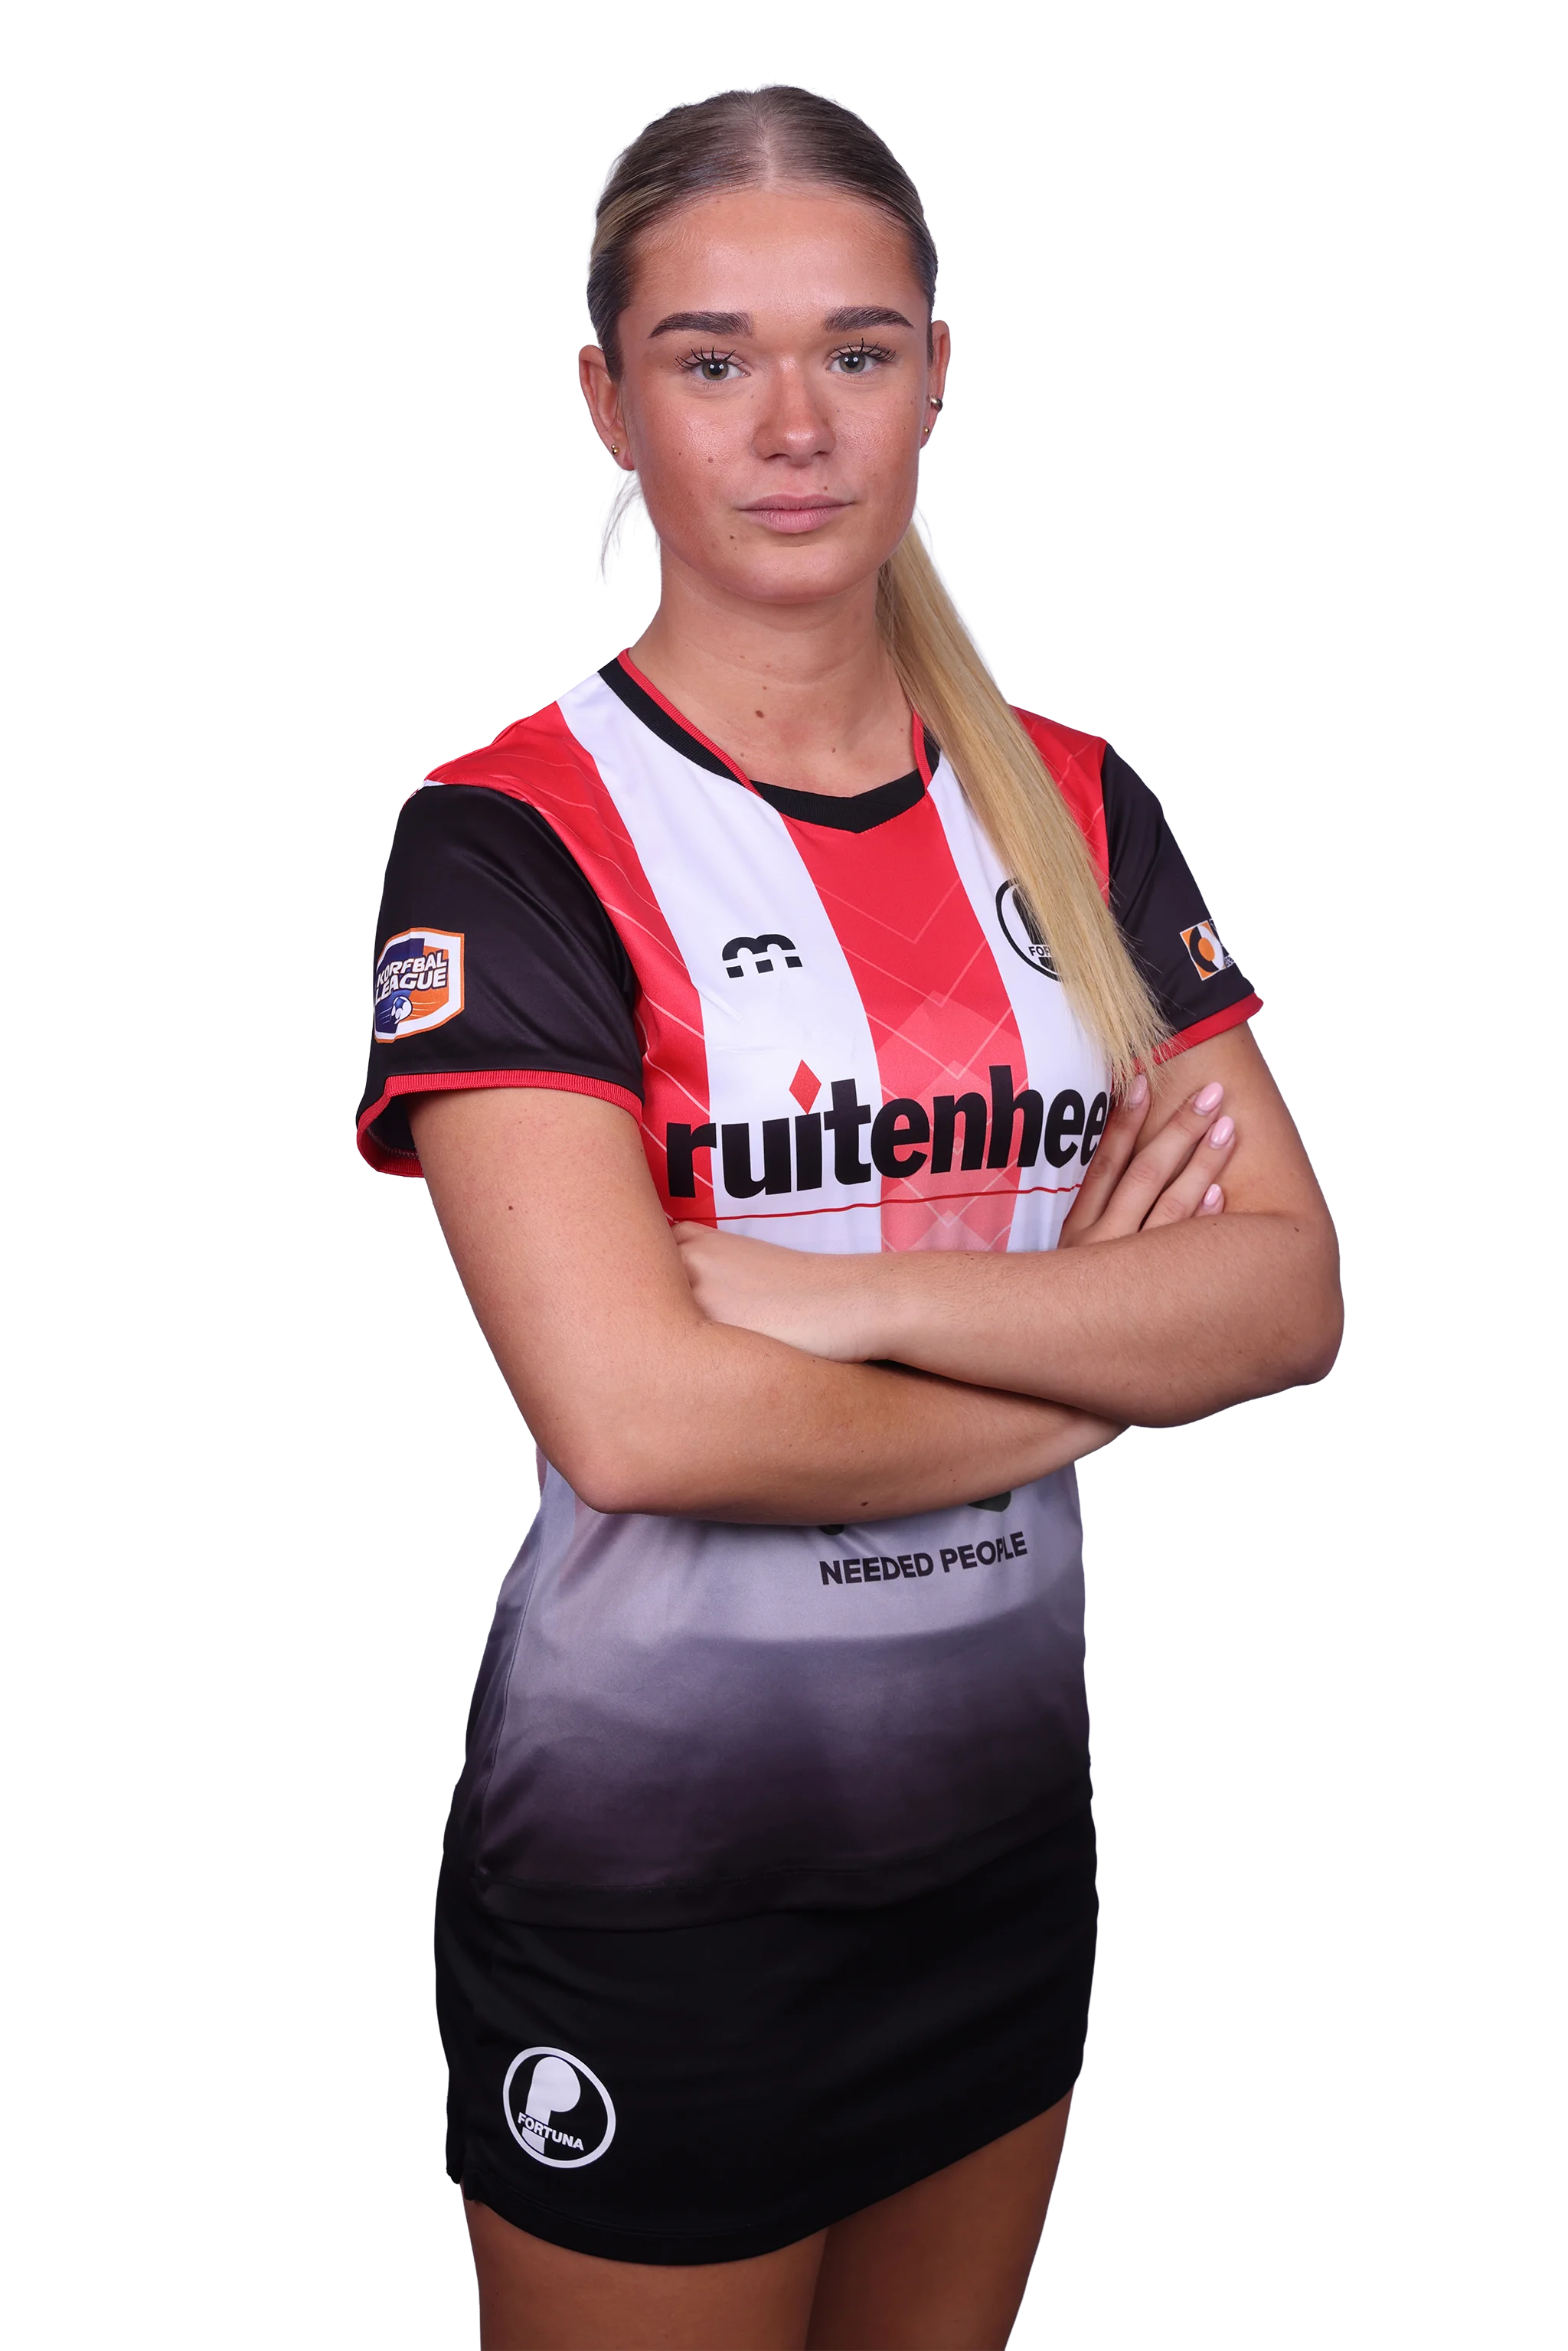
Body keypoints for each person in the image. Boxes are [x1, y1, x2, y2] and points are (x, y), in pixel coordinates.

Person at [354, 83, 1342, 2351]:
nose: (793, 427)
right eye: (711, 358)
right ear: (605, 398)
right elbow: (640, 1419)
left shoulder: (1075, 802)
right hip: (655, 1898)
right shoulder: (510, 837)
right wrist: (1088, 1365)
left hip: (998, 1860)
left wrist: (829, 1300)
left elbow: (1286, 1289)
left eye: (858, 350)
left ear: (939, 374)